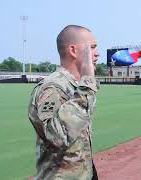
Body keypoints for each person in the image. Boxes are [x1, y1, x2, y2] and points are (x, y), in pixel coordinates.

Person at [28, 25, 100, 180]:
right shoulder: (52, 88)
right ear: (73, 50)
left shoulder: (76, 85)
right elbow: (57, 137)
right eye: (92, 47)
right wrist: (87, 85)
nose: (97, 53)